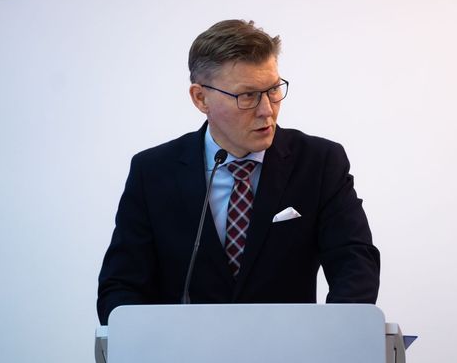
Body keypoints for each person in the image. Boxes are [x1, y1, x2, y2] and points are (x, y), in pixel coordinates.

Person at [97, 19, 380, 325]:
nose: (267, 109)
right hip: (184, 346)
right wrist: (146, 340)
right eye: (247, 96)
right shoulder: (152, 172)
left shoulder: (320, 162)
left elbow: (355, 264)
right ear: (200, 98)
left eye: (273, 90)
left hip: (288, 344)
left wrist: (335, 334)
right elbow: (121, 286)